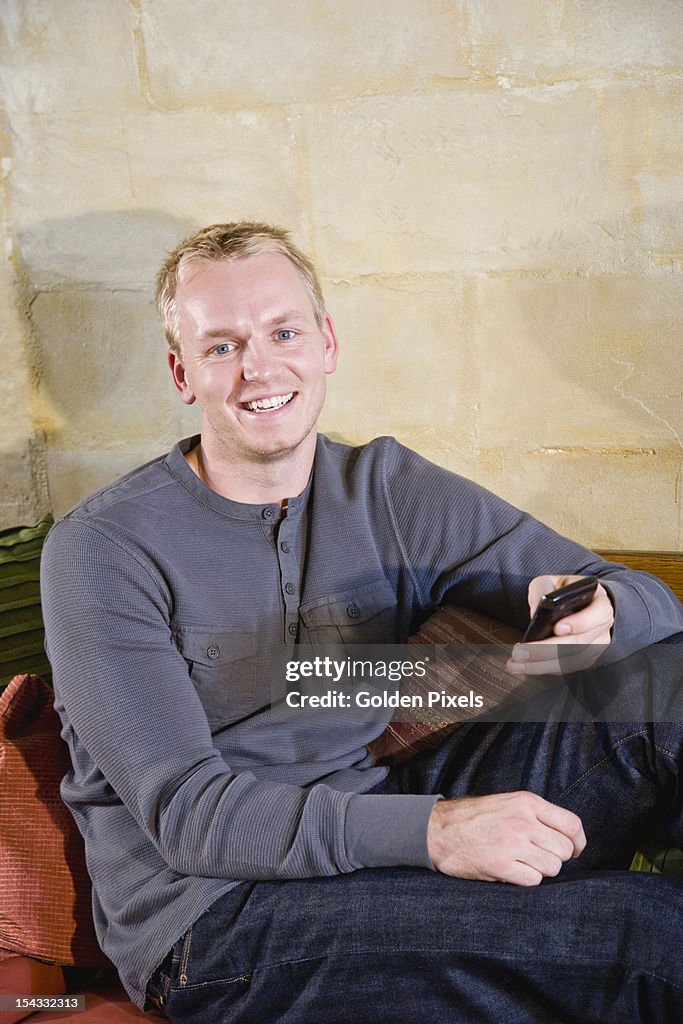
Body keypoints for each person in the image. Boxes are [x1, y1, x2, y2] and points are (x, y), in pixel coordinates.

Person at [41, 222, 683, 1023]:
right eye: (222, 347)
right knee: (652, 935)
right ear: (182, 373)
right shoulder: (101, 548)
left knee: (668, 691)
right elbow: (188, 816)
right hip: (219, 919)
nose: (260, 368)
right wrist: (438, 831)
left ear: (326, 342)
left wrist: (603, 610)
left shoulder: (382, 485)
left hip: (381, 813)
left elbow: (641, 599)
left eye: (283, 332)